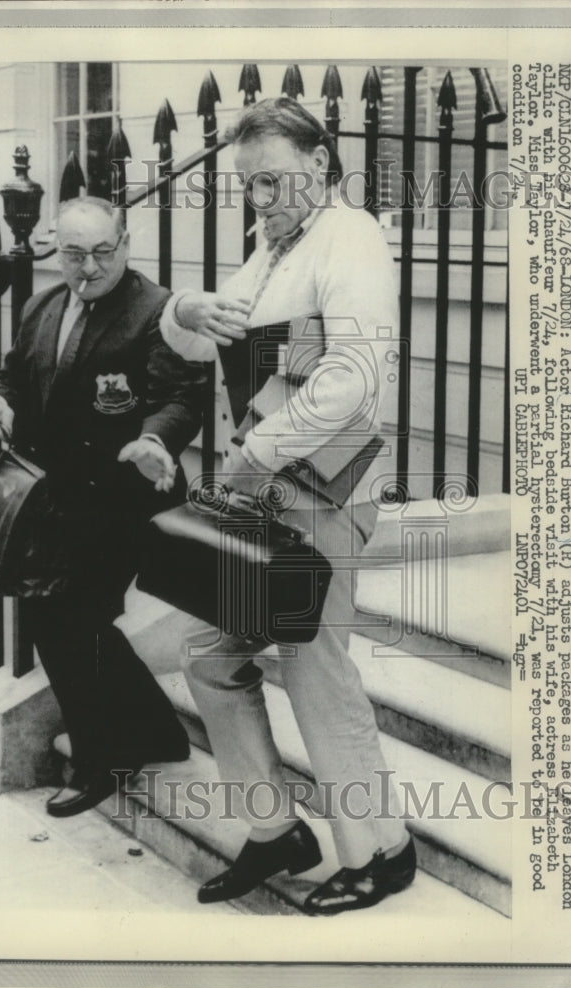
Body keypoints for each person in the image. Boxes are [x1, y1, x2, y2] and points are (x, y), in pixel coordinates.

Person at [159, 97, 415, 914]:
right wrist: (182, 311)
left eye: (271, 182)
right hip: (270, 488)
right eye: (248, 186)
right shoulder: (274, 246)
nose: (259, 200)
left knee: (315, 669)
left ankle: (382, 850)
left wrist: (253, 456)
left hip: (326, 487)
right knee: (209, 657)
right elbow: (209, 339)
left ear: (318, 162)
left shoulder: (352, 238)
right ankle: (277, 833)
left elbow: (353, 379)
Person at [0, 196, 206, 818]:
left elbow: (182, 396)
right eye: (75, 254)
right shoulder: (42, 306)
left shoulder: (155, 311)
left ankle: (99, 762)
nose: (90, 268)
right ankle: (156, 731)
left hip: (122, 502)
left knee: (67, 622)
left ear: (125, 245)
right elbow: (14, 375)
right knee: (76, 624)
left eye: (104, 252)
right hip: (54, 503)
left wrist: (155, 438)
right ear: (56, 248)